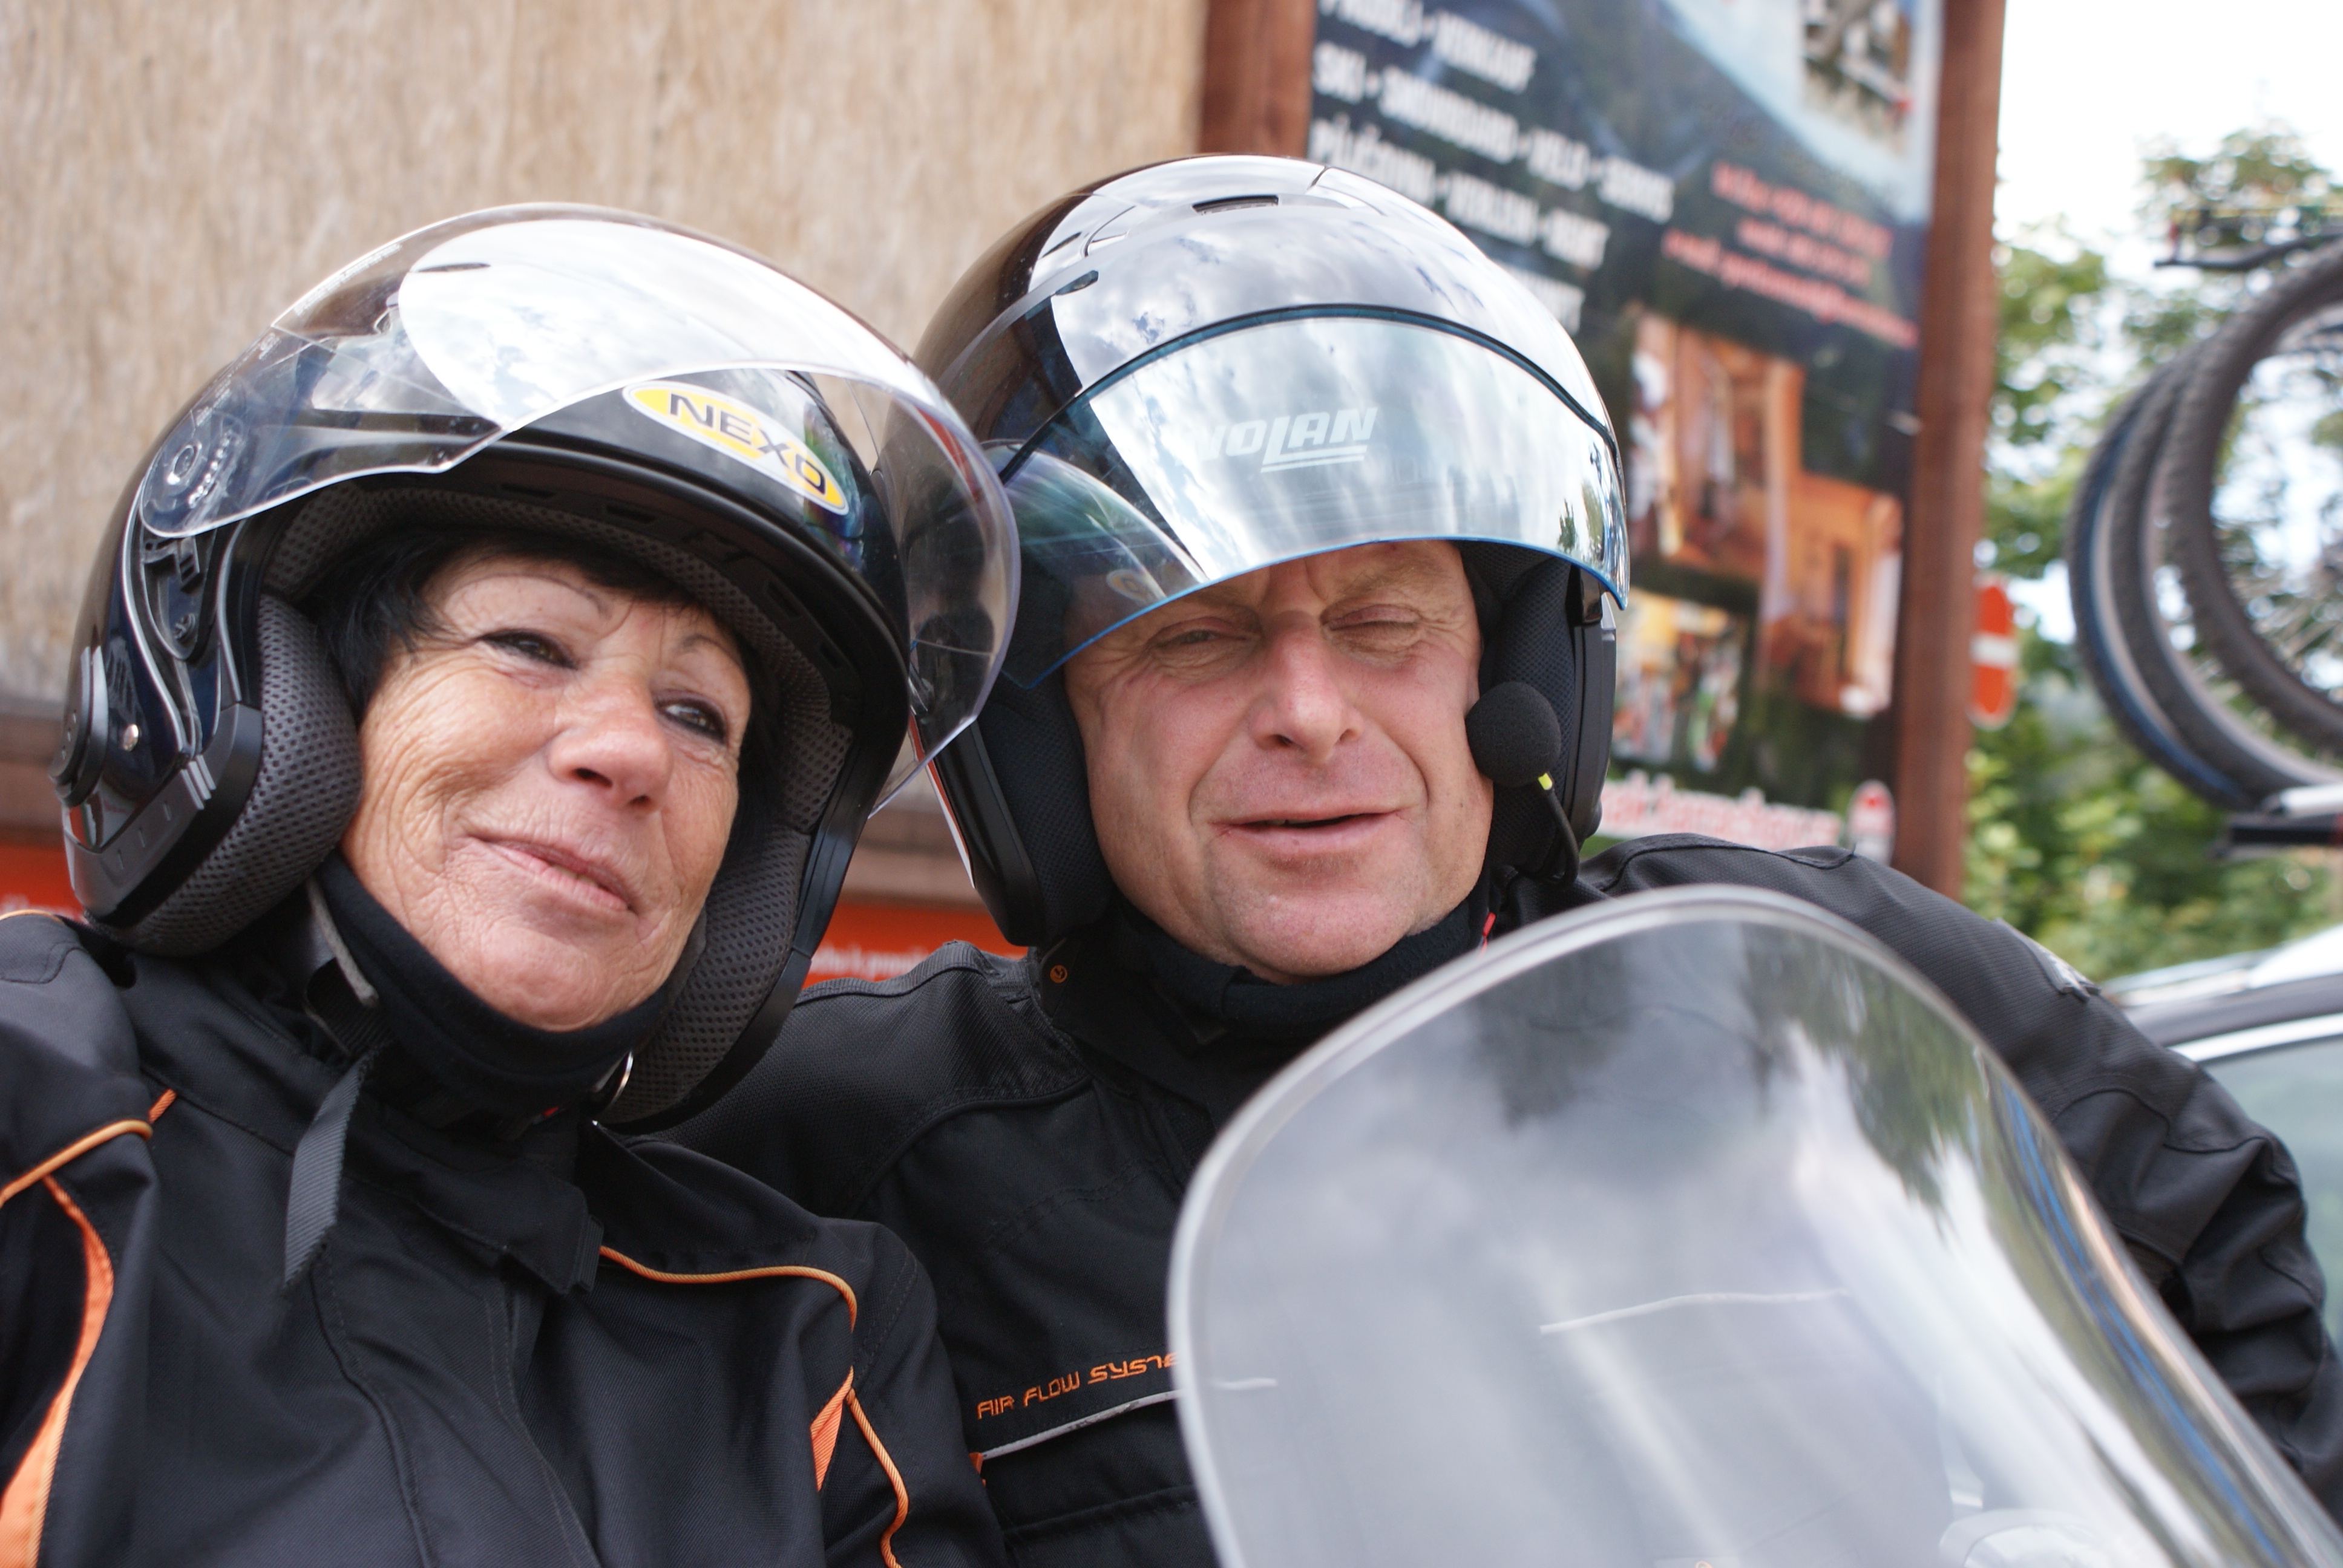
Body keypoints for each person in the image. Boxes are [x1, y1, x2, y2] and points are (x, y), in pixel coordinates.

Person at [668, 158, 2343, 1565]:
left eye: (1383, 624)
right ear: (1042, 738)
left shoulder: (1798, 994)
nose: (1308, 713)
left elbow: (2216, 1252)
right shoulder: (837, 1143)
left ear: (1520, 675)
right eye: (1195, 641)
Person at [0, 207, 1018, 1566]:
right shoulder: (40, 1117)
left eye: (700, 716)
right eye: (531, 643)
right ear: (302, 713)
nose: (629, 752)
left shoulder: (801, 1345)